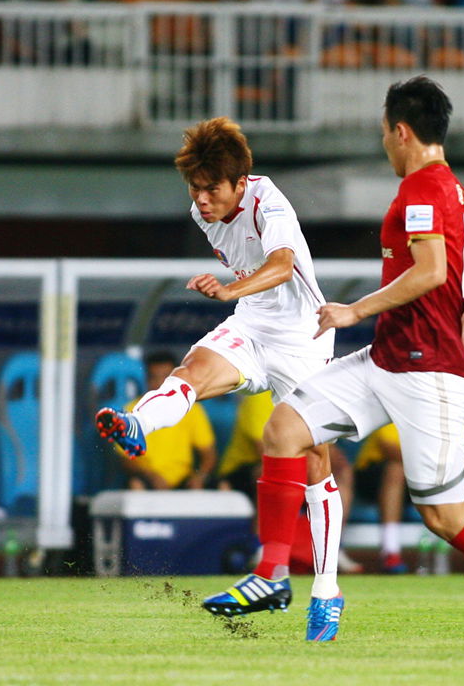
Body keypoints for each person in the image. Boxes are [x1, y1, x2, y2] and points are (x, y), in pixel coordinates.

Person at [212, 76, 464, 651]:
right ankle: (273, 574)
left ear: (401, 131)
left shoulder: (425, 191)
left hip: (429, 376)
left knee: (446, 518)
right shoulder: (451, 188)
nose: (384, 143)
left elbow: (432, 271)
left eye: (384, 132)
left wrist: (357, 309)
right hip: (387, 362)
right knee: (284, 428)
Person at [96, 116, 345, 626]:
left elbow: (280, 264)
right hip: (253, 325)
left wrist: (230, 289)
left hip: (304, 337)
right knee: (192, 370)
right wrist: (237, 299)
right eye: (196, 188)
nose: (203, 199)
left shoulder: (268, 201)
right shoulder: (202, 212)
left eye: (212, 189)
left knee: (316, 461)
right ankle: (138, 424)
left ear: (239, 183)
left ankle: (326, 591)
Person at [217, 390, 363, 574]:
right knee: (271, 467)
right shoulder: (259, 397)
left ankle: (333, 546)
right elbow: (264, 447)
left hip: (298, 463)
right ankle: (262, 548)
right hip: (243, 470)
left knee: (341, 470)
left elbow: (326, 448)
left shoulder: (309, 393)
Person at [354, 422, 464, 573]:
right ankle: (390, 551)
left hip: (432, 472)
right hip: (379, 476)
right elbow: (391, 449)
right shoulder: (397, 400)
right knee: (396, 470)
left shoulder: (450, 403)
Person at [118, 351, 218, 490]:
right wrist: (151, 476)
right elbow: (125, 460)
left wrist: (200, 476)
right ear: (146, 380)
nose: (159, 384)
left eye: (165, 378)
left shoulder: (192, 409)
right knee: (136, 485)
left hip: (183, 478)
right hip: (147, 477)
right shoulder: (130, 411)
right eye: (154, 378)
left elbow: (208, 454)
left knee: (207, 487)